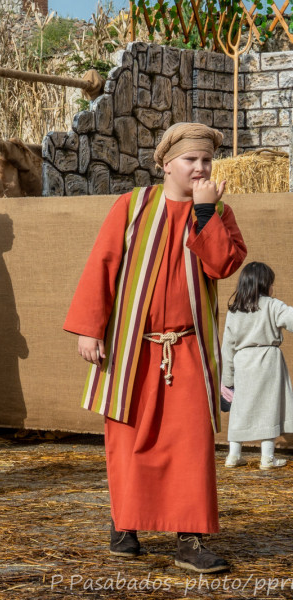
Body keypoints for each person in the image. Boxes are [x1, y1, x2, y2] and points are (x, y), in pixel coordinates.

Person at [64, 123, 246, 573]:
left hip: (186, 349)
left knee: (191, 443)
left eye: (206, 161)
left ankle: (191, 538)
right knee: (128, 438)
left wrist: (204, 215)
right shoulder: (132, 207)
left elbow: (222, 264)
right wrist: (90, 328)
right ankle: (125, 525)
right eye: (191, 160)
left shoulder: (218, 211)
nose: (201, 168)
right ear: (167, 164)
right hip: (134, 348)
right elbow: (102, 264)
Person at [222, 262, 293, 470]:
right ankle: (267, 458)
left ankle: (233, 456)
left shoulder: (234, 311)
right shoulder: (272, 305)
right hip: (268, 362)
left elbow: (228, 348)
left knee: (240, 409)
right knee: (268, 407)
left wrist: (228, 380)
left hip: (242, 363)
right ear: (264, 284)